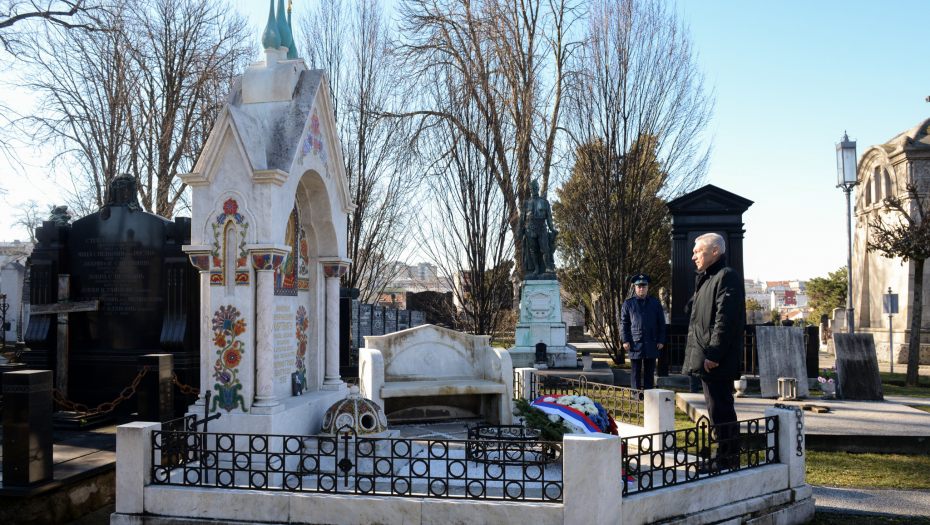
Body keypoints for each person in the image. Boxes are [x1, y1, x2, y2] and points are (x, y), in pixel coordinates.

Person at [682, 233, 745, 472]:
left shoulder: (727, 277)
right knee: (714, 408)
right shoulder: (708, 278)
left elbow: (725, 320)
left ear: (715, 251)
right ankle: (722, 455)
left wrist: (715, 354)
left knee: (721, 409)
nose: (693, 256)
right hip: (708, 357)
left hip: (716, 360)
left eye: (698, 251)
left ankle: (726, 458)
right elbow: (693, 310)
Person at [620, 274, 666, 391]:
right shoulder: (628, 304)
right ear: (635, 288)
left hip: (651, 341)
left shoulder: (655, 303)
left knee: (649, 371)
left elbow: (661, 323)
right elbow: (624, 323)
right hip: (635, 342)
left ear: (647, 287)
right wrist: (625, 340)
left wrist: (661, 340)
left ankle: (648, 393)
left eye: (644, 286)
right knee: (635, 372)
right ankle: (636, 395)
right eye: (639, 287)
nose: (641, 289)